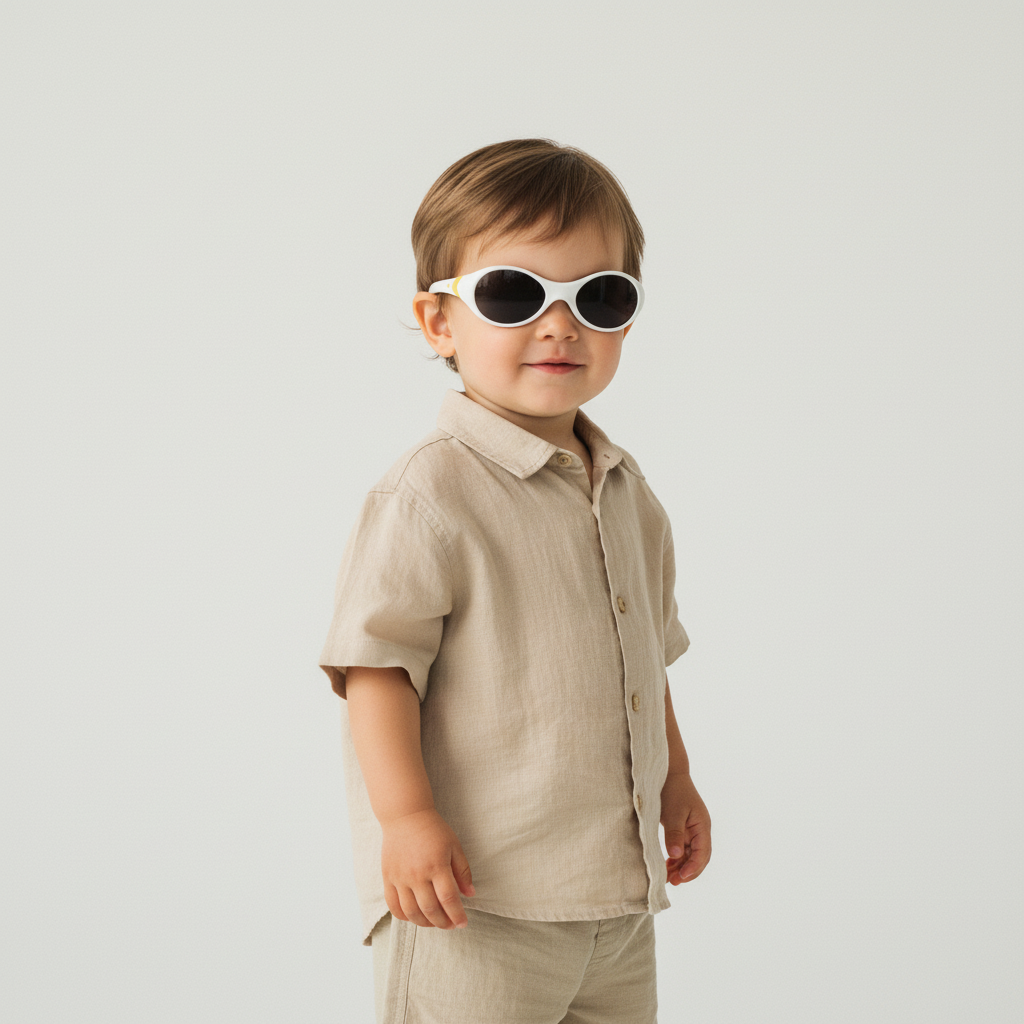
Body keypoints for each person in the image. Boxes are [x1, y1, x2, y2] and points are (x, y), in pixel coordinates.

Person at [319, 138, 711, 1024]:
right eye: (514, 292)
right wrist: (406, 821)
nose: (560, 325)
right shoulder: (431, 491)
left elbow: (645, 660)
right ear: (439, 322)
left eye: (599, 297)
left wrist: (675, 781)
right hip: (472, 904)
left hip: (612, 903)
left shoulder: (629, 493)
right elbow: (375, 668)